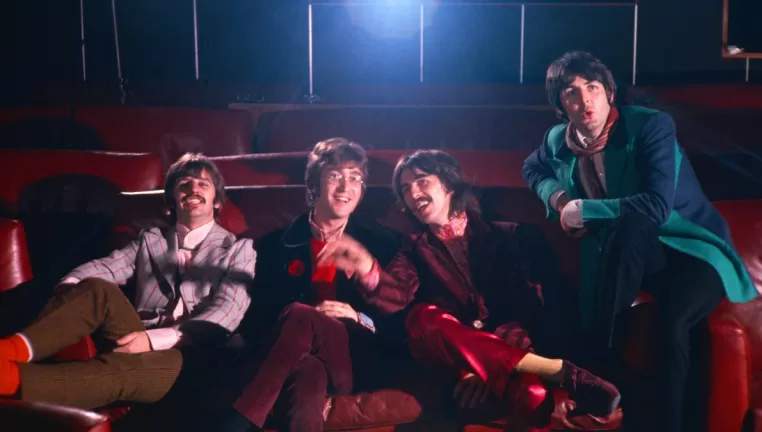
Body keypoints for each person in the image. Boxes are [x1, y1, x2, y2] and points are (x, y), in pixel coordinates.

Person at [521, 51, 757, 432]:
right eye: (572, 93)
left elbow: (656, 207)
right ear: (561, 106)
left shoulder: (650, 126)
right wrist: (559, 200)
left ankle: (618, 379)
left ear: (610, 92)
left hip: (691, 252)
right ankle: (603, 370)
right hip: (634, 256)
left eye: (593, 88)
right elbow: (531, 168)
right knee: (624, 236)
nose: (585, 101)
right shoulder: (557, 141)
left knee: (673, 319)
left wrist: (583, 210)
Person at [317, 150, 621, 431]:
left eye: (422, 181)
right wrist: (367, 268)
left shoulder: (513, 236)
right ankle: (560, 371)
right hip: (449, 360)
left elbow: (538, 303)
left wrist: (485, 362)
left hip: (513, 348)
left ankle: (552, 370)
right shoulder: (410, 250)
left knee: (534, 393)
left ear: (449, 185)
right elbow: (398, 299)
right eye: (406, 189)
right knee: (423, 316)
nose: (413, 194)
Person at [0, 153, 256, 409]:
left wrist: (158, 339)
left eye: (203, 184)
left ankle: (9, 379)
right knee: (96, 287)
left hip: (195, 354)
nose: (193, 189)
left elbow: (227, 310)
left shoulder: (239, 249)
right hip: (138, 335)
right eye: (184, 184)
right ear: (172, 200)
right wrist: (70, 292)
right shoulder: (151, 240)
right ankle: (7, 352)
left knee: (128, 367)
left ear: (217, 202)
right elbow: (107, 267)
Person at [217, 138, 405, 432]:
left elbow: (400, 318)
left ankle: (236, 422)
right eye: (335, 176)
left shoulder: (383, 242)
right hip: (291, 359)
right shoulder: (274, 245)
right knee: (308, 375)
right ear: (314, 185)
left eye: (355, 178)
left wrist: (359, 318)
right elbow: (257, 319)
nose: (346, 187)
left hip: (353, 358)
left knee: (301, 314)